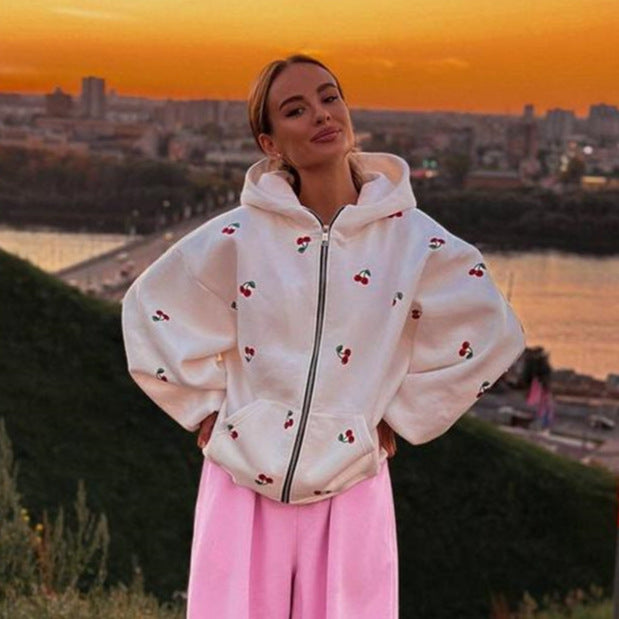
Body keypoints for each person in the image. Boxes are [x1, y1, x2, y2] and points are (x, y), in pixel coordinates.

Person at [120, 54, 526, 619]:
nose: (321, 114)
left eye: (329, 97)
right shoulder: (237, 236)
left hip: (351, 483)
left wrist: (398, 418)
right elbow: (149, 309)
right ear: (270, 143)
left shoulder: (413, 241)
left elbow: (492, 331)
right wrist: (206, 410)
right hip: (241, 482)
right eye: (296, 109)